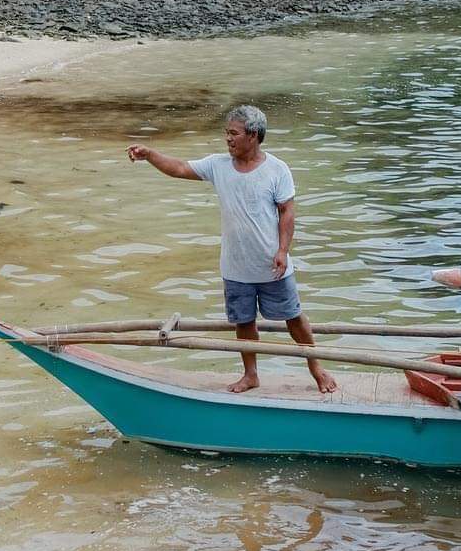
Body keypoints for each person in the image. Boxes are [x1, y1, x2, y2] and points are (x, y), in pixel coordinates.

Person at [128, 105, 336, 396]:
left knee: (294, 317)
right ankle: (251, 374)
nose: (228, 138)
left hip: (271, 263)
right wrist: (150, 155)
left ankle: (316, 367)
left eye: (233, 133)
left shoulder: (277, 169)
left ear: (253, 136)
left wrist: (283, 250)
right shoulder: (218, 165)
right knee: (244, 321)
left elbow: (287, 212)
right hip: (236, 265)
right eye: (227, 132)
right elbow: (178, 168)